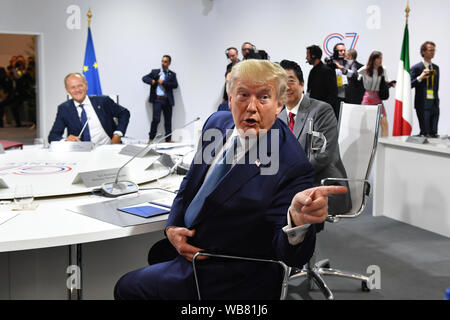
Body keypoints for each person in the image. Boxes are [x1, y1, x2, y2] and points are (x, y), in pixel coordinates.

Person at [114, 59, 348, 300]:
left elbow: (292, 256)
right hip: (188, 249)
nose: (251, 107)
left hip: (230, 271)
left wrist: (297, 223)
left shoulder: (291, 164)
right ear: (229, 97)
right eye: (243, 95)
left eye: (263, 98)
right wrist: (172, 226)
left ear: (279, 104)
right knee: (152, 256)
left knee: (127, 287)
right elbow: (190, 184)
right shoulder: (216, 124)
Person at [278, 59, 351, 229]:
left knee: (275, 202)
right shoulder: (279, 117)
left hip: (323, 184)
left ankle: (298, 251)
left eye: (290, 80)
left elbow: (322, 156)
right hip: (291, 184)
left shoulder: (320, 110)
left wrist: (285, 176)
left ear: (302, 83)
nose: (286, 87)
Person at [48, 73, 130, 145]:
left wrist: (118, 134)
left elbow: (124, 113)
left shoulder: (103, 101)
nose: (77, 90)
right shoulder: (64, 109)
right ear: (67, 90)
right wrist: (66, 140)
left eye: (80, 85)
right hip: (80, 153)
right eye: (72, 87)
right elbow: (53, 137)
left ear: (86, 85)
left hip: (108, 149)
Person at [358, 51, 395, 137]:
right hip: (368, 99)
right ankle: (367, 145)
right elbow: (356, 77)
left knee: (384, 124)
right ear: (373, 59)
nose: (380, 60)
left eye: (381, 58)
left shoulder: (382, 69)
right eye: (379, 58)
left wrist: (391, 84)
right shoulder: (364, 69)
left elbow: (386, 82)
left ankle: (383, 146)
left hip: (378, 99)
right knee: (367, 126)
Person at [142, 55, 179, 143]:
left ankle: (168, 139)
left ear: (169, 63)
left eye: (165, 62)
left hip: (167, 100)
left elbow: (175, 85)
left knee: (168, 120)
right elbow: (144, 78)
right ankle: (151, 139)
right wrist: (152, 81)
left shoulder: (172, 74)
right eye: (162, 61)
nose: (163, 63)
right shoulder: (155, 72)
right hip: (157, 100)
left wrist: (164, 83)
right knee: (156, 119)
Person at [411, 41, 439, 137]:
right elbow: (409, 85)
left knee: (433, 132)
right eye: (430, 50)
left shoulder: (436, 68)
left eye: (434, 50)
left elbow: (436, 86)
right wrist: (420, 77)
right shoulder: (416, 68)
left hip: (434, 103)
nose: (432, 52)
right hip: (422, 103)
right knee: (425, 133)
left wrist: (437, 100)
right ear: (423, 52)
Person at [306, 45, 338, 119]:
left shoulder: (327, 71)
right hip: (314, 111)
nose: (306, 58)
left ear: (313, 56)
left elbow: (333, 93)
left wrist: (324, 108)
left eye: (307, 55)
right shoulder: (313, 71)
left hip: (324, 113)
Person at [326, 43, 358, 117]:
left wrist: (342, 69)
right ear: (335, 51)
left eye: (344, 50)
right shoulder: (330, 63)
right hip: (332, 97)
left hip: (346, 96)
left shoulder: (350, 63)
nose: (343, 52)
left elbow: (354, 75)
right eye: (340, 51)